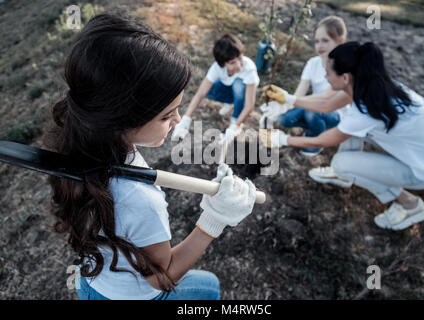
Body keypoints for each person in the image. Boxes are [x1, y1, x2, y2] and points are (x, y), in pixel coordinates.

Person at [44, 13, 257, 300]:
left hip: (91, 282)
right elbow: (161, 277)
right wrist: (215, 218)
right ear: (122, 119)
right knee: (209, 287)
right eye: (167, 115)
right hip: (129, 295)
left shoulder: (79, 140)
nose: (178, 119)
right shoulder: (140, 199)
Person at [261, 42, 424, 230]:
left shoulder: (366, 111)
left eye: (328, 73)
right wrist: (289, 99)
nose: (325, 77)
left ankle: (410, 204)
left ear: (345, 77)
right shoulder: (371, 86)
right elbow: (327, 104)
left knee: (341, 162)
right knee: (347, 118)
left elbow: (322, 140)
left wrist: (282, 139)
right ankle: (345, 176)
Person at [260, 16, 352, 156]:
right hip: (315, 106)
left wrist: (289, 99)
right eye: (316, 41)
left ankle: (315, 139)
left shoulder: (343, 67)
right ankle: (314, 126)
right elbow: (299, 95)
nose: (320, 45)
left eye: (325, 40)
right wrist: (281, 105)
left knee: (312, 112)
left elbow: (325, 100)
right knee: (284, 118)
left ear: (340, 41)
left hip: (336, 113)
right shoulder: (313, 63)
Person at [172, 34, 259, 145]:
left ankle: (236, 117)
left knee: (238, 86)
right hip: (229, 91)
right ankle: (230, 102)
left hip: (244, 94)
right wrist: (186, 120)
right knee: (209, 89)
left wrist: (234, 127)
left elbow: (249, 106)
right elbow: (200, 93)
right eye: (232, 62)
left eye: (240, 58)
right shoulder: (217, 68)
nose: (239, 65)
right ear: (223, 64)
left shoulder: (249, 69)